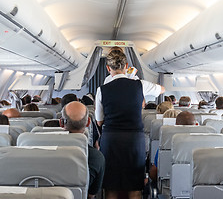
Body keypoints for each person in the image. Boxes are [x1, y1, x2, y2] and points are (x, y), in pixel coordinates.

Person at [95, 50, 164, 199]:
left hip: (111, 139)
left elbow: (99, 121)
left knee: (111, 184)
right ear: (126, 66)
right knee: (134, 184)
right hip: (134, 140)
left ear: (108, 68)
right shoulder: (140, 85)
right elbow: (162, 89)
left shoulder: (101, 90)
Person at [62, 101, 105, 197]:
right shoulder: (96, 157)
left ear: (61, 123)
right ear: (88, 122)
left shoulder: (41, 150)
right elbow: (90, 195)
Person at [149, 111, 196, 181]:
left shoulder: (166, 144)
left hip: (167, 189)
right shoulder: (205, 144)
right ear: (196, 124)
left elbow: (154, 174)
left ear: (176, 125)